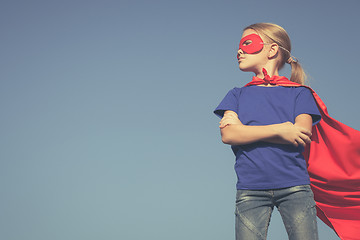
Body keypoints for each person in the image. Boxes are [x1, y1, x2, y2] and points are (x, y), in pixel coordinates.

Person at [213, 23, 322, 240]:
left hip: (295, 188)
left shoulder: (300, 94)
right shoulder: (236, 95)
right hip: (250, 191)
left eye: (247, 43)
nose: (239, 51)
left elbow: (300, 134)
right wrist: (280, 129)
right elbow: (229, 135)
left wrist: (244, 130)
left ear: (272, 50)